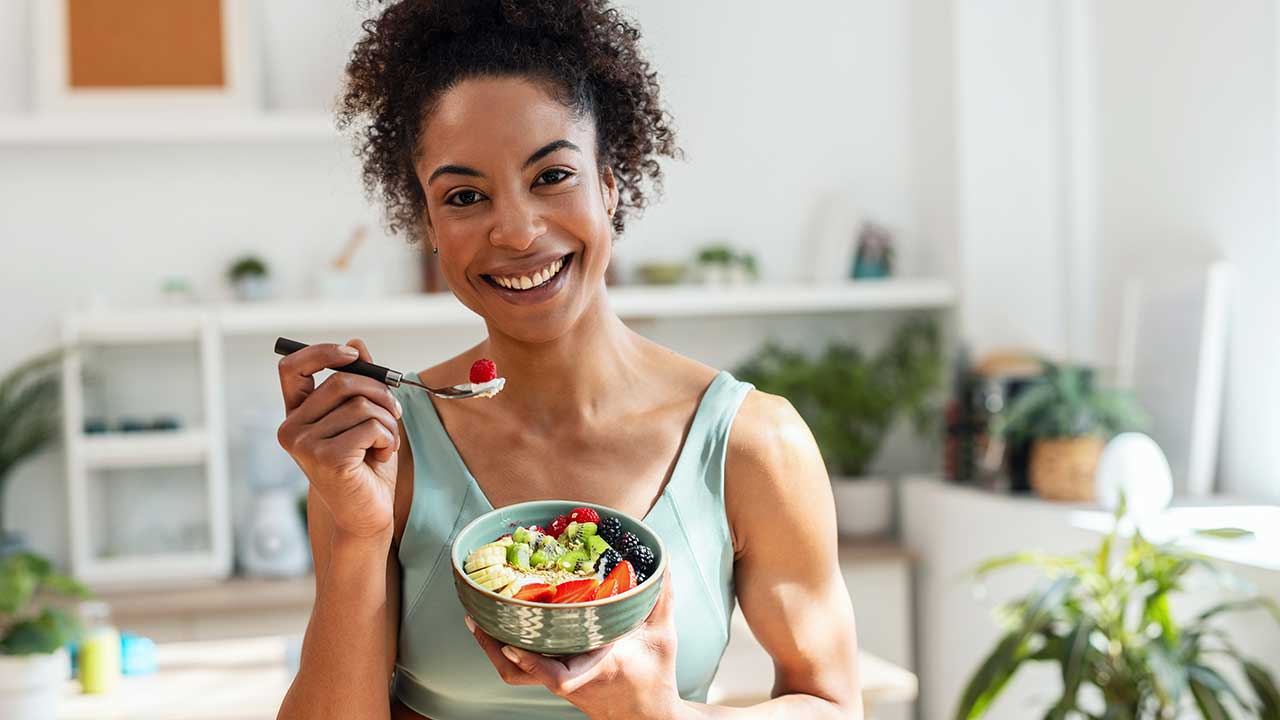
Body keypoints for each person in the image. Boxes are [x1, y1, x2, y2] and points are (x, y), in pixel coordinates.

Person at [275, 1, 862, 718]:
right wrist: (357, 535)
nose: (517, 231)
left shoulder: (753, 445)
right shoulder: (383, 455)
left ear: (610, 185)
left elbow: (833, 705)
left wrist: (660, 714)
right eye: (465, 196)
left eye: (551, 176)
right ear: (429, 224)